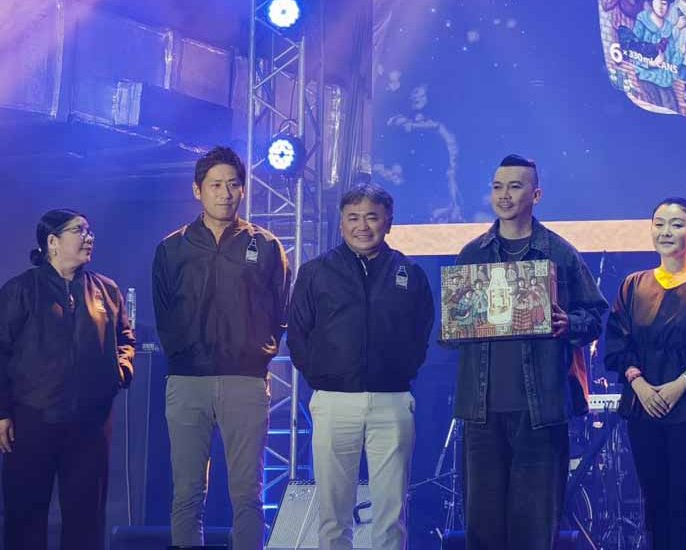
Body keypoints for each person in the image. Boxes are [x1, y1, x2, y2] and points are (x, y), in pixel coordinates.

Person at [450, 154, 608, 550]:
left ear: (535, 195)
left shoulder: (559, 253)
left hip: (541, 412)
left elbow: (595, 315)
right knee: (483, 528)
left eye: (515, 186)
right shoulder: (472, 254)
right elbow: (451, 331)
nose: (504, 195)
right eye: (497, 187)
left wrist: (569, 323)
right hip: (481, 412)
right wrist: (459, 321)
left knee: (535, 529)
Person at [152, 146, 290, 550]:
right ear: (197, 190)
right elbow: (164, 312)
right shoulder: (172, 248)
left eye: (232, 184)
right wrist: (183, 354)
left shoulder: (266, 246)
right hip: (187, 381)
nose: (225, 193)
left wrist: (257, 354)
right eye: (215, 185)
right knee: (187, 492)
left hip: (245, 381)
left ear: (243, 189)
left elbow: (280, 311)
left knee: (248, 493)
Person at [289, 183, 434, 550]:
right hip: (334, 401)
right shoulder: (315, 272)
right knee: (333, 517)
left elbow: (422, 331)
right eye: (353, 217)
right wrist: (322, 376)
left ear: (388, 222)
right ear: (341, 223)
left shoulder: (410, 273)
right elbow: (298, 334)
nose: (362, 226)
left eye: (371, 217)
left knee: (391, 515)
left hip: (393, 401)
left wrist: (400, 371)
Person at [0, 209, 135, 550]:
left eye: (89, 231)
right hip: (33, 419)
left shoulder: (106, 289)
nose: (89, 238)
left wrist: (120, 371)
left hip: (90, 423)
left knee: (86, 517)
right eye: (79, 231)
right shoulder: (21, 289)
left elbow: (126, 339)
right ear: (52, 241)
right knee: (25, 514)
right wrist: (2, 411)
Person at [605, 197, 686, 550]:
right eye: (659, 224)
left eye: (676, 224)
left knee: (684, 505)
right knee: (654, 504)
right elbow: (618, 341)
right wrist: (639, 384)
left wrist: (680, 384)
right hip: (642, 407)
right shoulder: (633, 284)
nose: (666, 232)